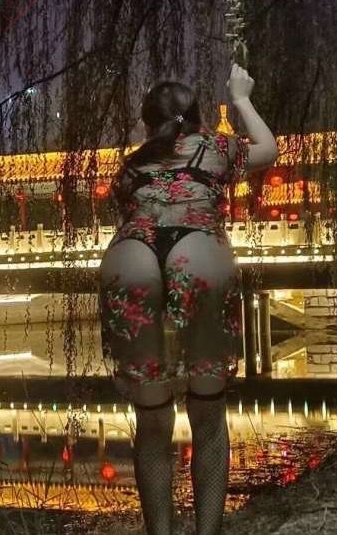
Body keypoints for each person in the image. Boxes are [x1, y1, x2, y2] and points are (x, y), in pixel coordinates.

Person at [98, 63, 277, 535]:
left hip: (131, 254)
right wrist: (241, 98)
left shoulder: (130, 165)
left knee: (152, 419)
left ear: (146, 122)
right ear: (196, 116)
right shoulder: (217, 147)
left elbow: (133, 207)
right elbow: (268, 148)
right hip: (197, 246)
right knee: (208, 413)